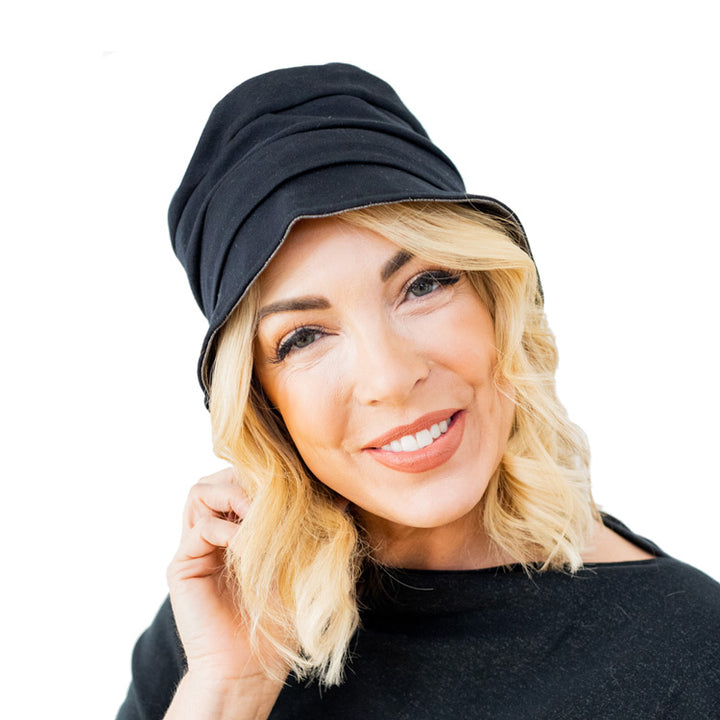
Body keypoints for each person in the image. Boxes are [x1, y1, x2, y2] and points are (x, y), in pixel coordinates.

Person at [117, 63, 720, 720]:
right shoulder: (220, 622)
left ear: (496, 304)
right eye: (304, 337)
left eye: (424, 286)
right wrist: (230, 690)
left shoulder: (689, 655)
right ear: (263, 402)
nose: (389, 378)